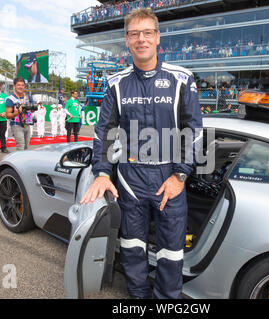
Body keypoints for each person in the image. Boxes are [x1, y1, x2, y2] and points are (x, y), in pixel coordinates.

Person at [80, 8, 202, 299]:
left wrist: (180, 175)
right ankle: (138, 298)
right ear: (127, 40)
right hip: (129, 178)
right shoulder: (116, 83)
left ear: (158, 37)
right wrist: (101, 173)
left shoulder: (182, 79)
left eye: (147, 32)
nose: (141, 39)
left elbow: (194, 131)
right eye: (134, 34)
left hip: (168, 178)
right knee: (132, 247)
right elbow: (105, 132)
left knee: (171, 253)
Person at [5, 77, 35, 151]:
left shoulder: (28, 97)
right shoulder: (10, 99)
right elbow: (7, 115)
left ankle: (24, 161)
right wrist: (16, 113)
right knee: (20, 147)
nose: (20, 87)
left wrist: (32, 108)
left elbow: (32, 111)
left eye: (22, 85)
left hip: (27, 124)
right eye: (18, 85)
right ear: (14, 86)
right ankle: (18, 162)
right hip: (16, 125)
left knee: (26, 147)